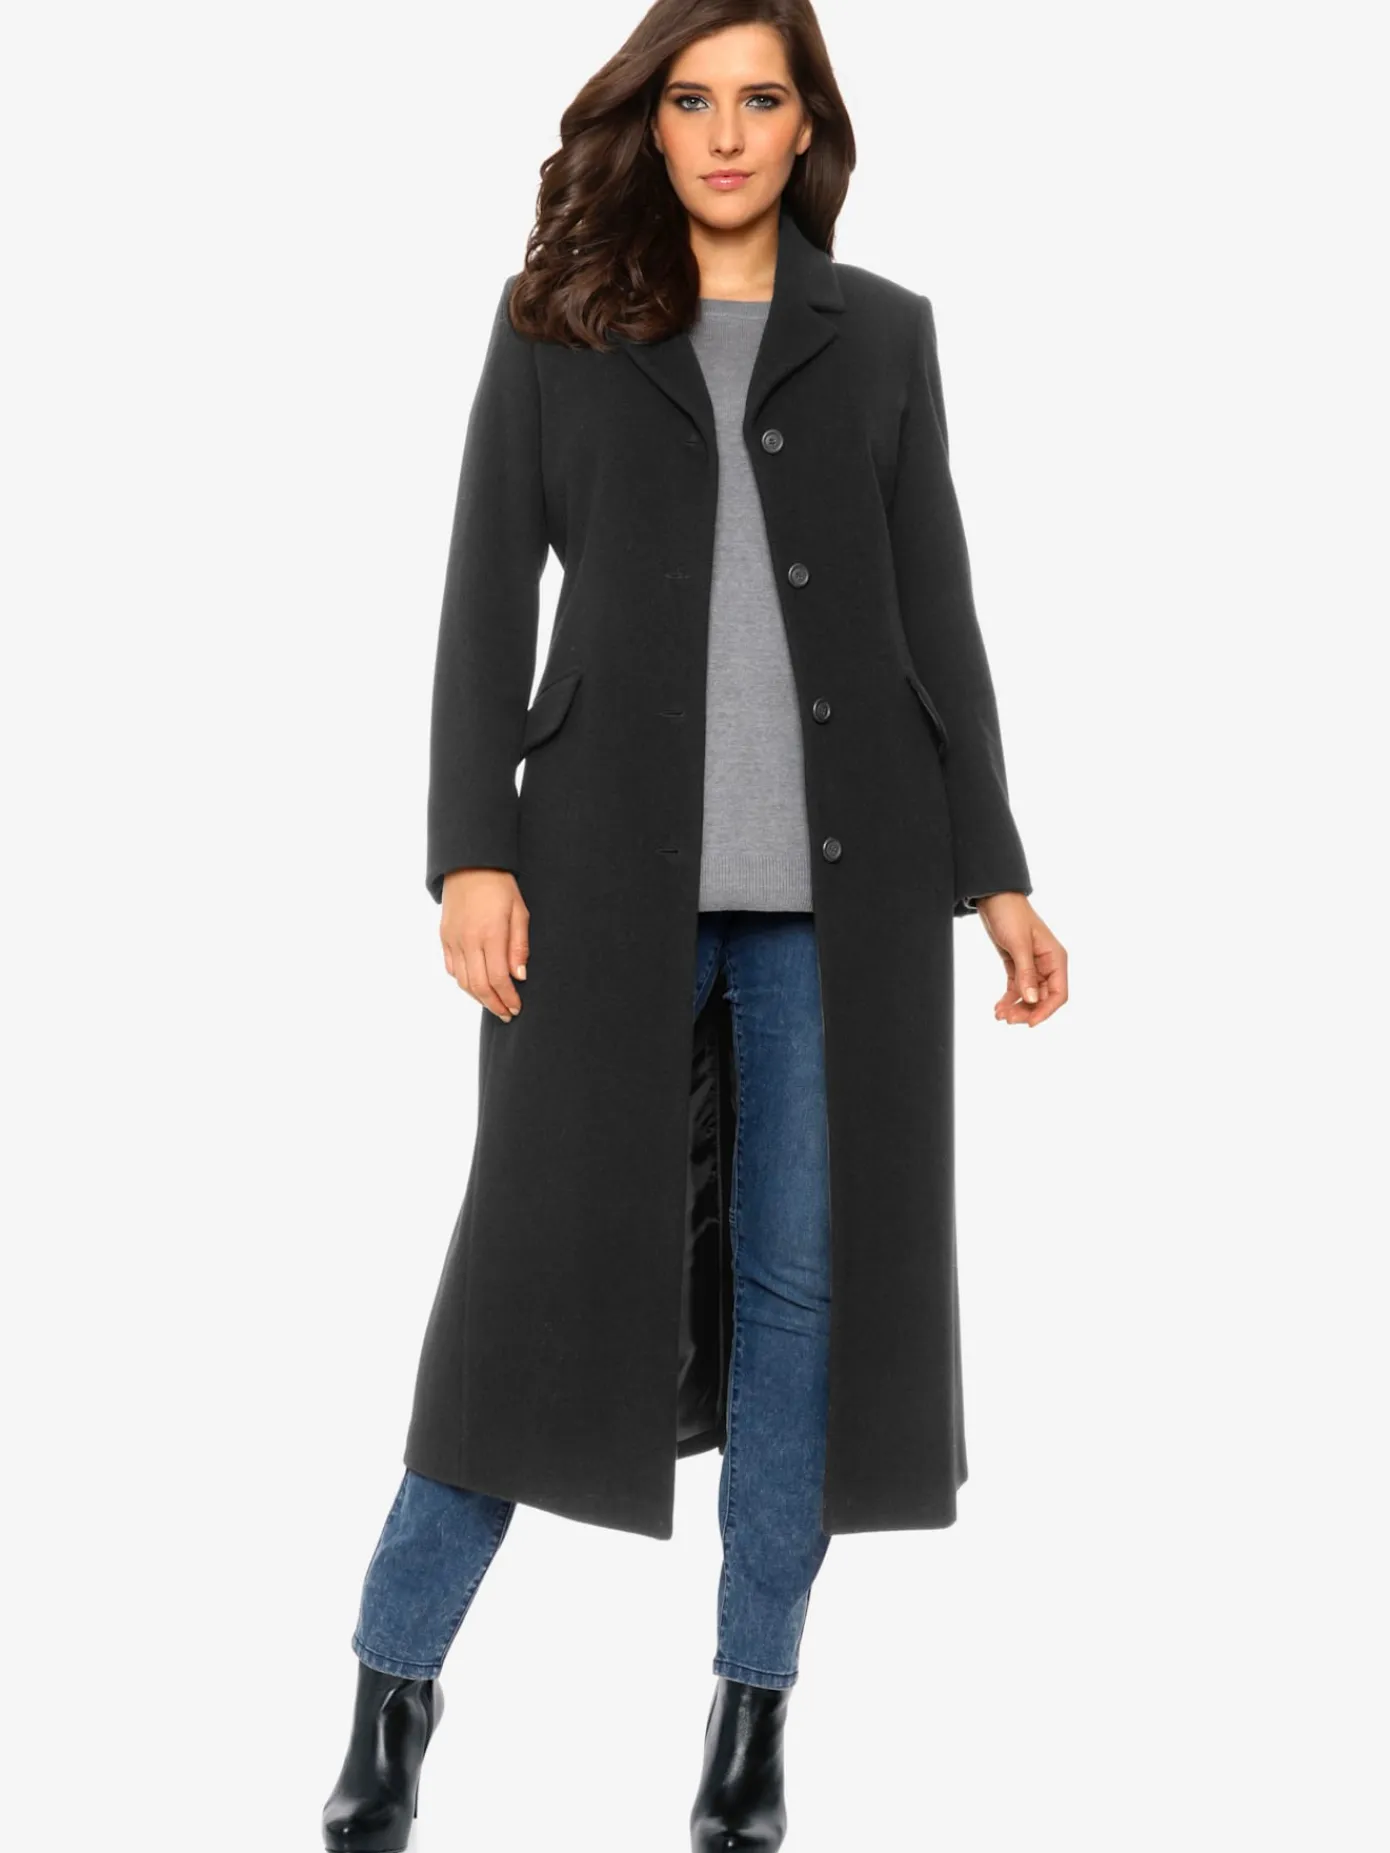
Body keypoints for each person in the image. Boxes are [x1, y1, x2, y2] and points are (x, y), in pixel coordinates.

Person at [323, 2, 1068, 1847]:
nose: (725, 132)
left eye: (760, 98)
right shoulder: (556, 324)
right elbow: (482, 592)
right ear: (648, 125)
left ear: (806, 124)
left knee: (800, 1311)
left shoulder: (881, 333)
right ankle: (392, 1692)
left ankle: (750, 1723)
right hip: (589, 889)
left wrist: (994, 870)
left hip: (843, 904)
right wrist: (468, 850)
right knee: (522, 1287)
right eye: (690, 99)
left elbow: (939, 615)